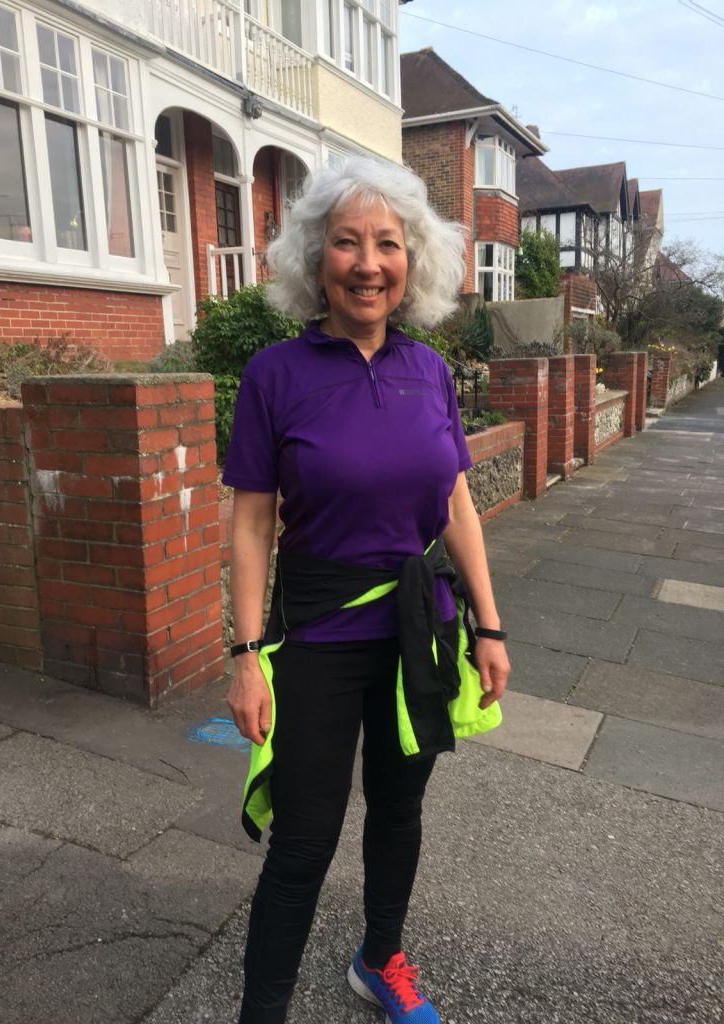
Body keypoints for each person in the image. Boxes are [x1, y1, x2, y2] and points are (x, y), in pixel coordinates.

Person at [222, 156, 510, 1024]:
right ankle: (260, 1013)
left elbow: (455, 500)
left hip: (418, 622)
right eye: (347, 242)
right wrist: (243, 655)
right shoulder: (276, 374)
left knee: (399, 806)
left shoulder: (428, 370)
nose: (368, 262)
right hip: (318, 623)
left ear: (411, 262)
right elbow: (248, 524)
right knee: (304, 839)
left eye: (388, 244)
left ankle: (380, 958)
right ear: (317, 260)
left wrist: (490, 628)